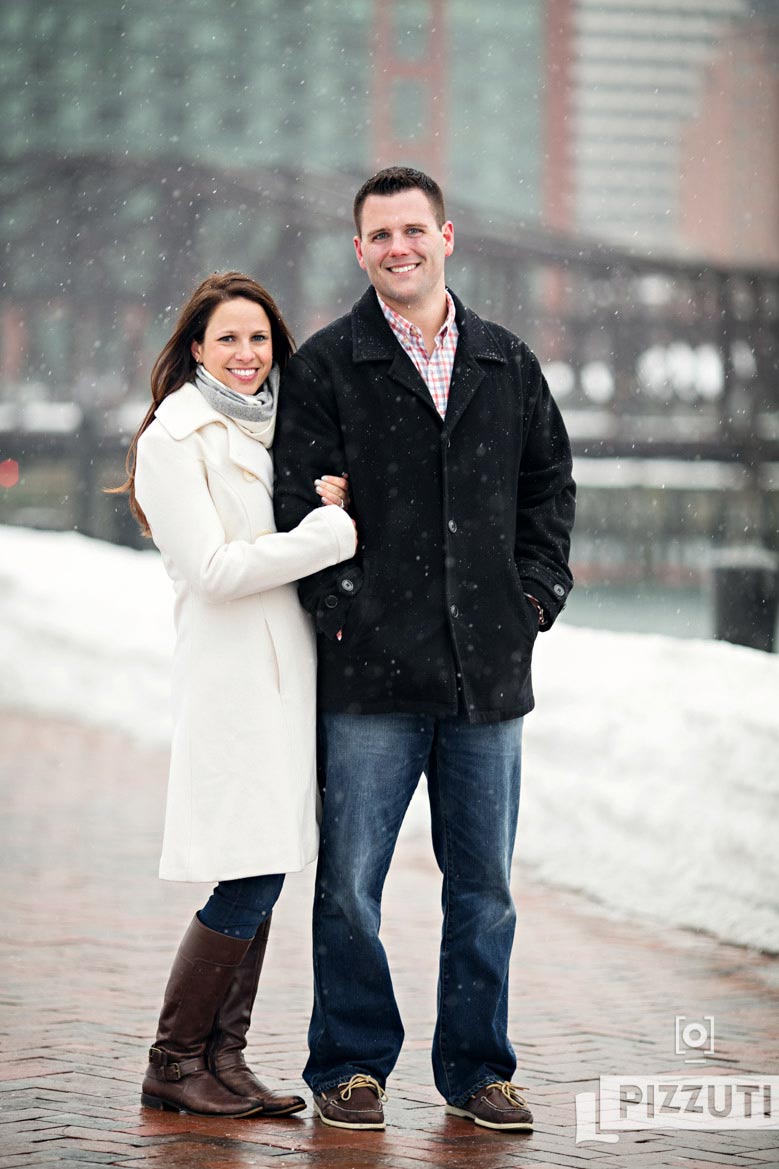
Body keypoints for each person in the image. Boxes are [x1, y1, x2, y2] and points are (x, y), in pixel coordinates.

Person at [272, 167, 575, 1133]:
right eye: (379, 235)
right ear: (358, 250)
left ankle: (479, 1069)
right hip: (368, 674)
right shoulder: (327, 366)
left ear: (448, 236)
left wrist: (533, 594)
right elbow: (292, 504)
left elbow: (548, 489)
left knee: (482, 888)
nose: (398, 248)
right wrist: (345, 609)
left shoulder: (504, 361)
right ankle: (352, 1064)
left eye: (414, 230)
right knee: (350, 884)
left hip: (488, 669)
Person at [115, 272, 357, 1118]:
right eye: (227, 339)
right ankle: (173, 1058)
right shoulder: (174, 438)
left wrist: (327, 500)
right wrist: (324, 533)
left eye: (259, 339)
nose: (247, 355)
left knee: (266, 865)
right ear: (194, 349)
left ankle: (224, 1058)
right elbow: (213, 569)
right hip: (232, 680)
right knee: (247, 877)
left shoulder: (272, 426)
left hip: (283, 677)